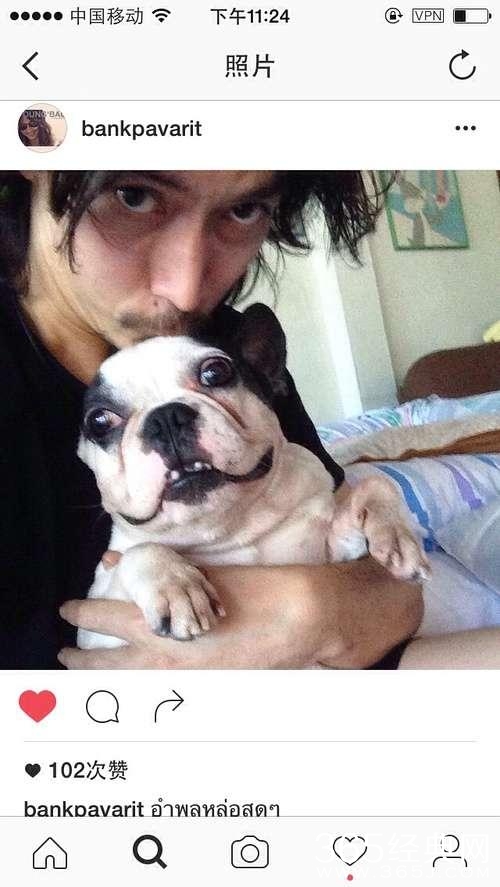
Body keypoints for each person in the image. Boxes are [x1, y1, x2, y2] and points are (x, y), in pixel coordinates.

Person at [0, 170, 423, 669]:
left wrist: (314, 612)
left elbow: (390, 594)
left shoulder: (221, 347)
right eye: (133, 196)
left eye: (243, 211)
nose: (184, 290)